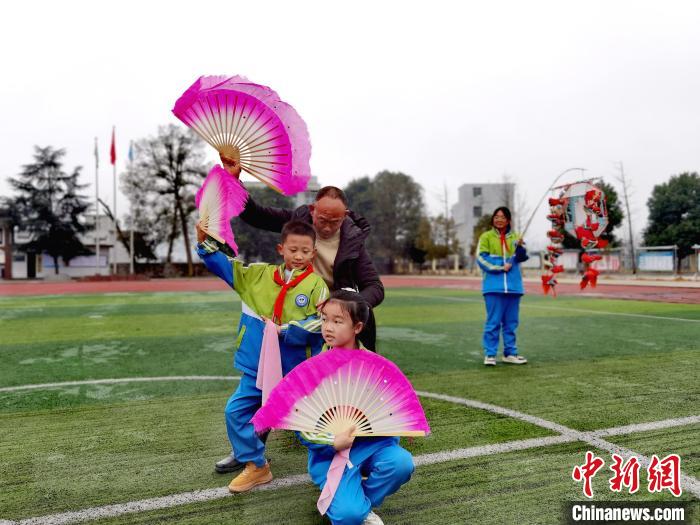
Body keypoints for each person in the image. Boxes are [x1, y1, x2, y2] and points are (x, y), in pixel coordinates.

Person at [196, 220, 329, 491]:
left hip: (294, 371)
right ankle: (256, 465)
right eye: (293, 249)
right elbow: (225, 264)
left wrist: (286, 330)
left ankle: (336, 465)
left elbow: (323, 322)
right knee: (235, 412)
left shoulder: (318, 286)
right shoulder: (257, 275)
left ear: (313, 253)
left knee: (308, 426)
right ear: (281, 249)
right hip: (257, 366)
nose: (299, 256)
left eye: (306, 251)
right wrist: (204, 242)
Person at [219, 155, 384, 351]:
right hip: (300, 304)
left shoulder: (353, 241)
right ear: (313, 210)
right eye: (323, 220)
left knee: (347, 364)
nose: (328, 227)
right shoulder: (296, 222)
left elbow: (374, 286)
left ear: (345, 215)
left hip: (333, 310)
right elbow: (256, 216)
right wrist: (234, 181)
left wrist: (349, 305)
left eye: (335, 222)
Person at [297, 289, 415, 525]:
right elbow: (301, 425)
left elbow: (390, 415)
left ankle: (361, 504)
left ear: (357, 327)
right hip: (329, 455)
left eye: (337, 321)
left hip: (372, 447)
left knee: (401, 463)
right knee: (348, 516)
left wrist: (386, 428)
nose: (328, 327)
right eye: (324, 319)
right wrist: (332, 442)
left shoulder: (375, 366)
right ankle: (351, 505)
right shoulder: (312, 370)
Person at [476, 206, 529, 366]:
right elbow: (481, 259)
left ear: (508, 220)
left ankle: (510, 353)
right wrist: (500, 267)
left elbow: (522, 257)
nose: (499, 219)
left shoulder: (516, 237)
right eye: (496, 216)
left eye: (502, 217)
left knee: (511, 323)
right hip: (493, 288)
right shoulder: (486, 237)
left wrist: (520, 247)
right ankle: (490, 355)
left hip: (514, 287)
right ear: (493, 219)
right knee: (493, 322)